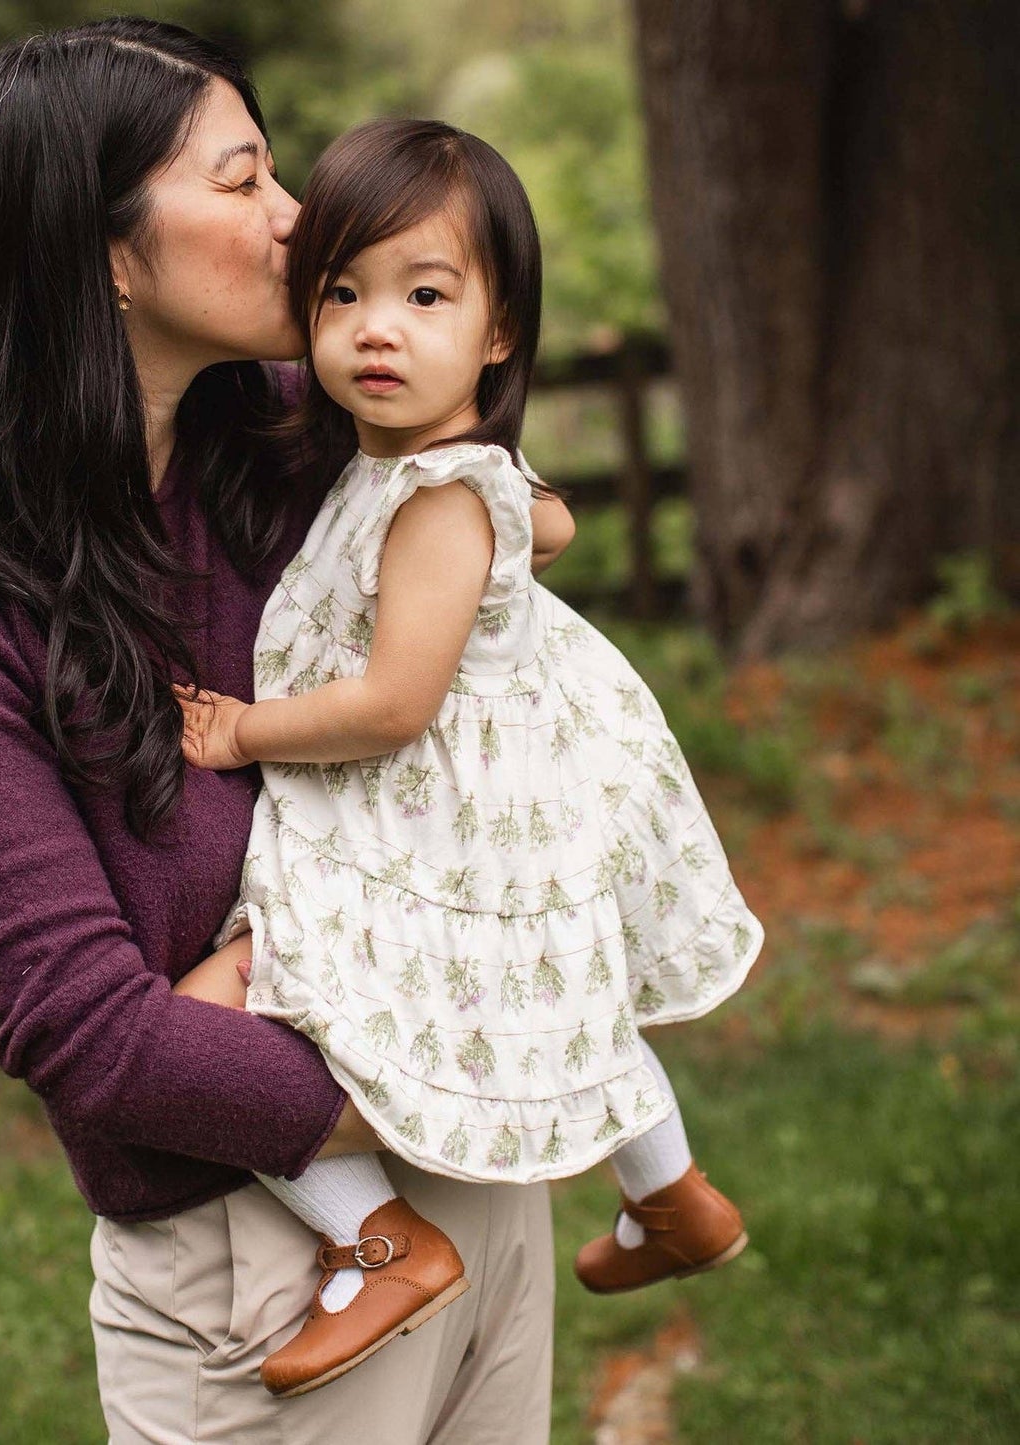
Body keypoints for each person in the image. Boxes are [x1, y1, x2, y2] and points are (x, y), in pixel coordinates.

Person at [0, 20, 560, 1442]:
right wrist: (469, 1051)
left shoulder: (308, 450)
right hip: (263, 1277)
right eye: (243, 183)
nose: (297, 224)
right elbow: (96, 1039)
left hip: (486, 1197)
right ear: (100, 249)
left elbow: (510, 611)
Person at [173, 118, 764, 1400]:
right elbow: (536, 514)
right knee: (558, 992)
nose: (376, 327)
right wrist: (523, 511)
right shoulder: (418, 463)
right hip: (487, 806)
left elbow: (390, 703)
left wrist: (238, 728)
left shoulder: (434, 491)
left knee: (212, 1018)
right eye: (341, 293)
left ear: (498, 333)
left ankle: (379, 1237)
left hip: (428, 814)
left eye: (424, 295)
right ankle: (670, 1194)